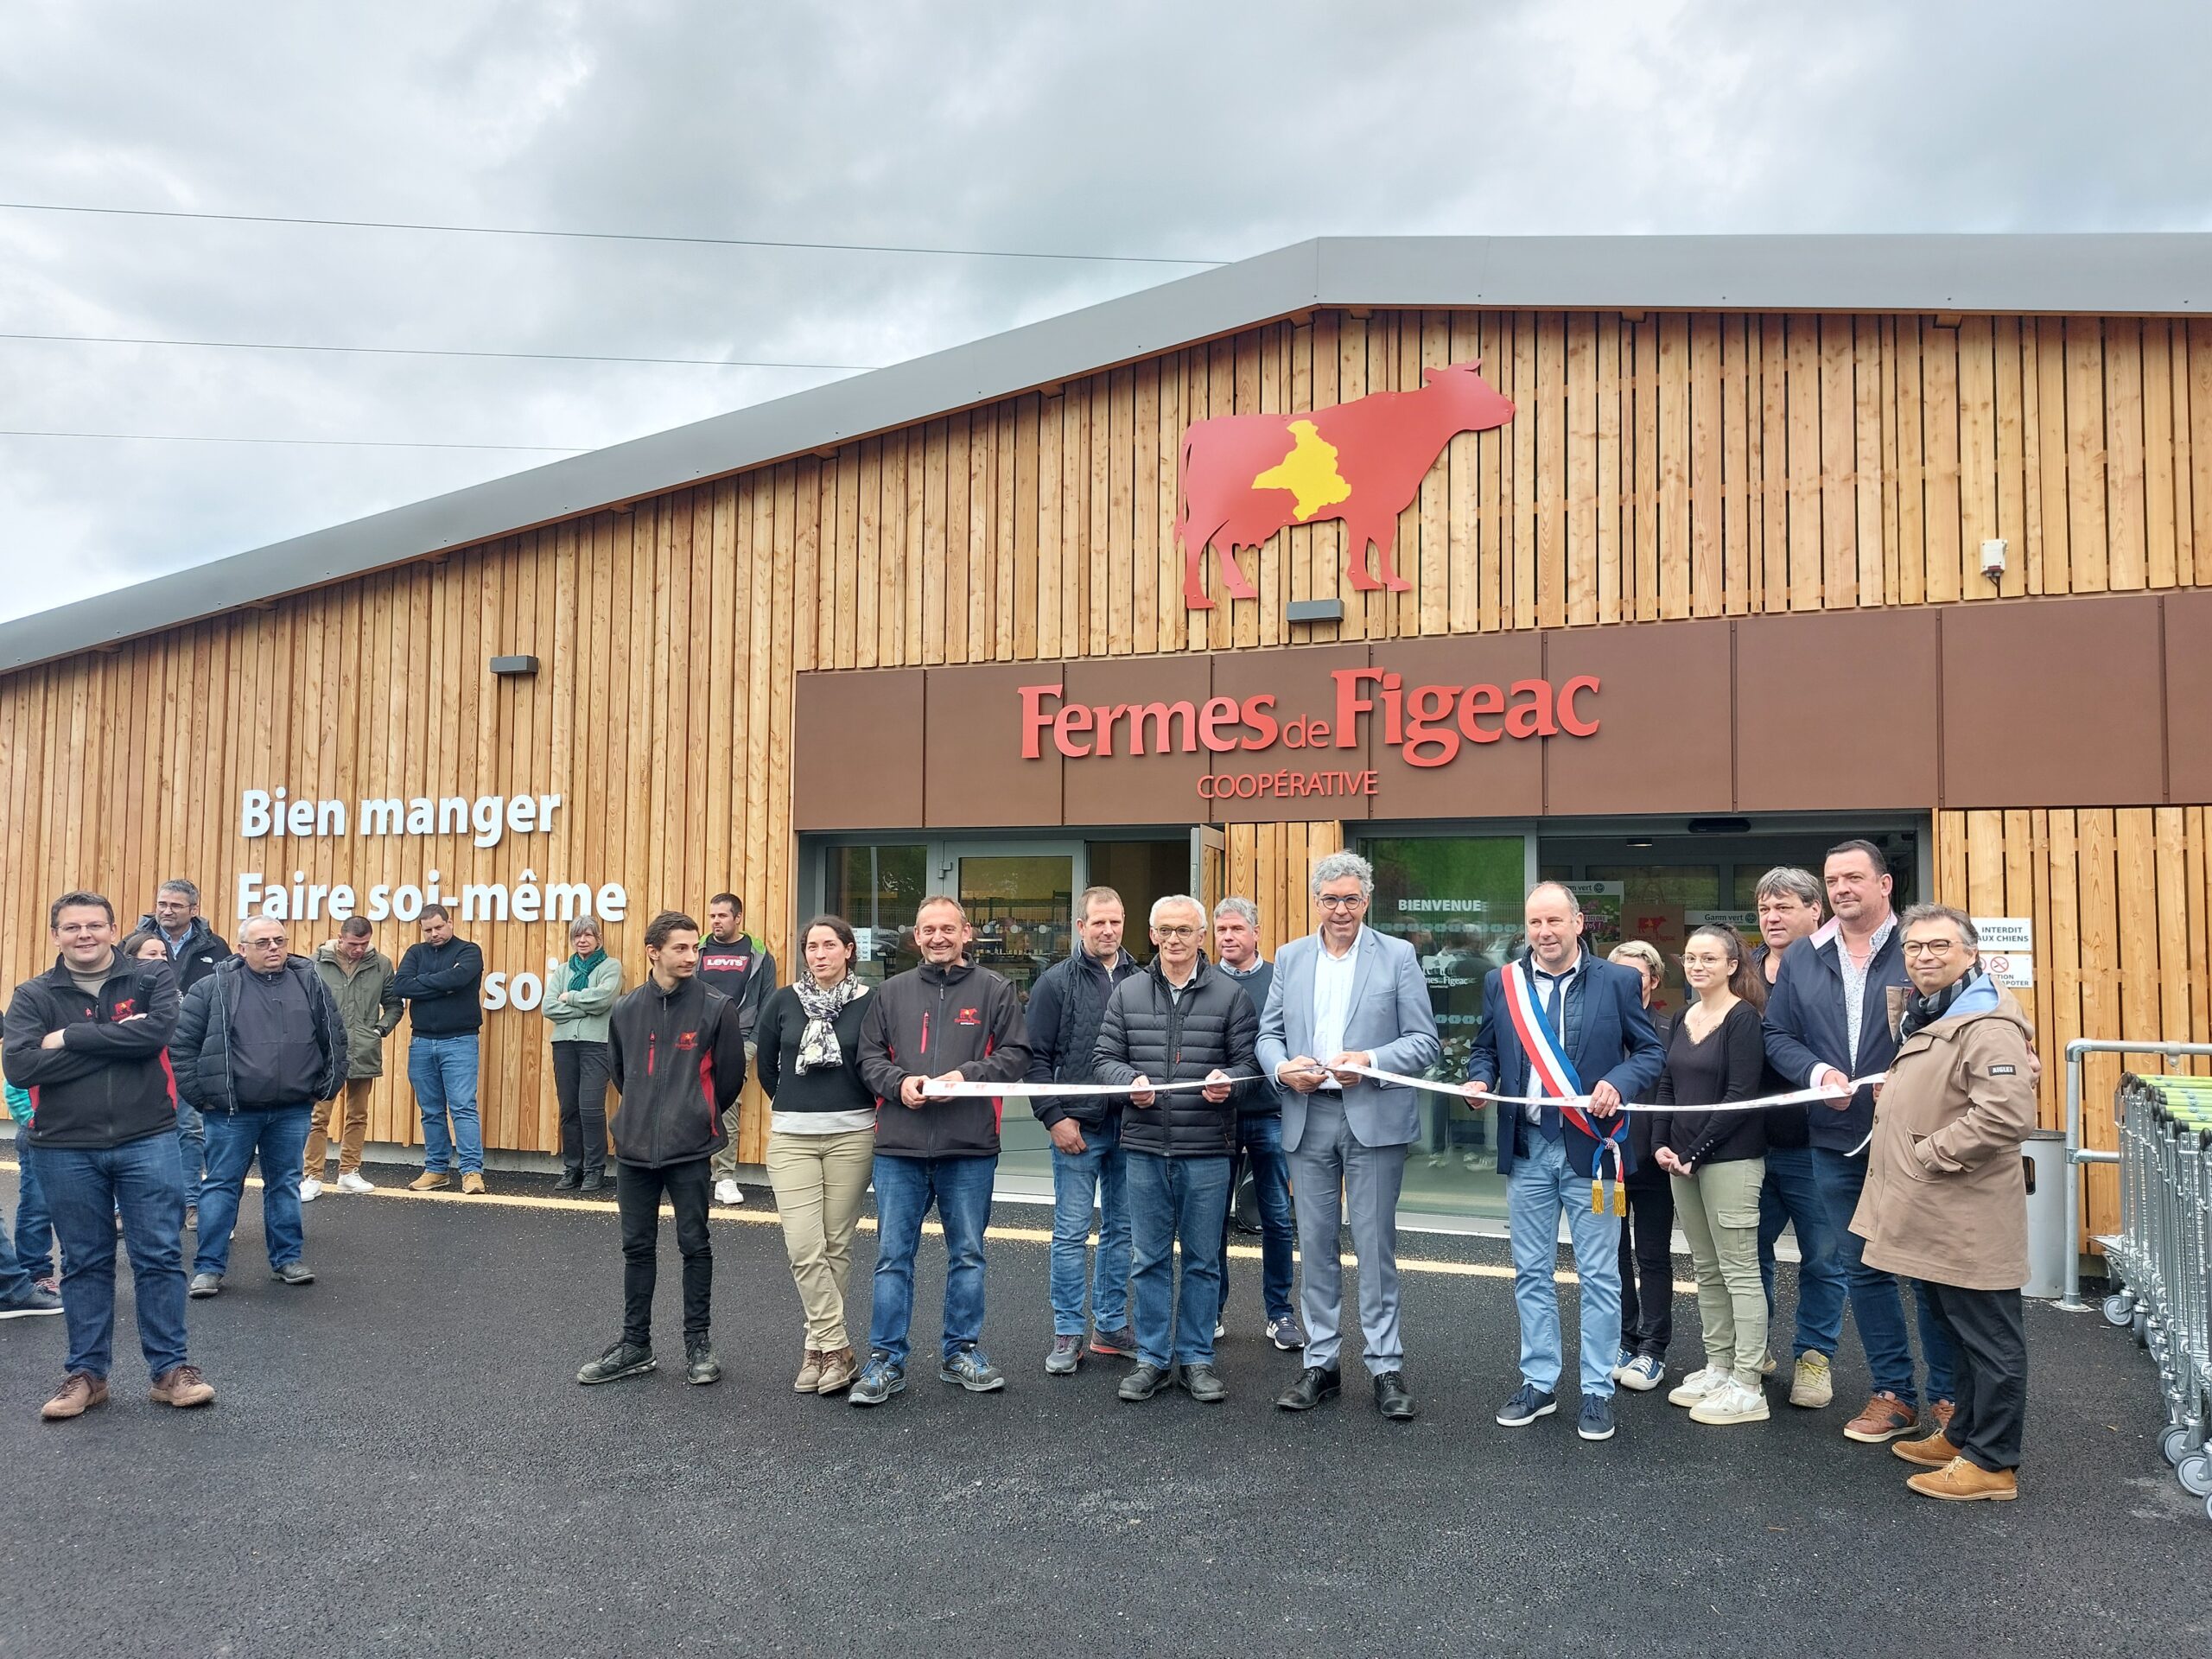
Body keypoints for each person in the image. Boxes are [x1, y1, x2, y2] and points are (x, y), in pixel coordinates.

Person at [1764, 840, 1956, 1445]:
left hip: (1915, 1139)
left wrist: (1907, 1088)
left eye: (1854, 877)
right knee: (1864, 1268)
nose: (1842, 889)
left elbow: (1962, 1029)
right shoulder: (1802, 956)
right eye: (1832, 880)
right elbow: (1778, 1033)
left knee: (1928, 1272)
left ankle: (1950, 1397)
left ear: (1884, 885)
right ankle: (1893, 1394)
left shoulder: (1920, 948)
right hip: (1833, 1138)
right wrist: (1817, 1075)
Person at [1465, 881, 1665, 1444]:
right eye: (1535, 923)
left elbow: (1649, 1053)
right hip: (1528, 1150)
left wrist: (1616, 1082)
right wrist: (1481, 1079)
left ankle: (1598, 1388)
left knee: (1600, 1274)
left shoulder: (1620, 981)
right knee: (1531, 1272)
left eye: (1555, 921)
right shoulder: (1500, 983)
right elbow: (1485, 1048)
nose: (1545, 933)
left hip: (1593, 1150)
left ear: (1579, 923)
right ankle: (1540, 1381)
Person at [3, 891, 213, 1421]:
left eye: (94, 926)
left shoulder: (149, 979)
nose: (84, 936)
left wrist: (70, 1037)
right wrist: (114, 1041)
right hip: (66, 1147)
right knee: (84, 1261)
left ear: (113, 929)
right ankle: (87, 1375)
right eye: (72, 928)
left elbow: (155, 1035)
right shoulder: (32, 995)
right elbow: (22, 1067)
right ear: (55, 935)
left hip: (148, 1138)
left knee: (160, 1255)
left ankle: (171, 1371)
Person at [1854, 906, 2037, 1502]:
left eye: (1938, 946)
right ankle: (1961, 1435)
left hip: (1967, 1212)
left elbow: (2006, 1115)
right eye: (1914, 948)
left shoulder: (1985, 1024)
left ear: (1970, 952)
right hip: (1937, 1209)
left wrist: (1931, 1153)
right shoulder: (1933, 1015)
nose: (1924, 957)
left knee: (1990, 1340)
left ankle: (1993, 1462)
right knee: (1955, 1330)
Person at [1257, 850, 1440, 1421]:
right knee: (1315, 1247)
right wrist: (1281, 1068)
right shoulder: (1290, 957)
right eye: (1331, 899)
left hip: (1373, 1116)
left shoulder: (1399, 956)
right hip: (1308, 1115)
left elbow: (1424, 1041)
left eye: (1351, 899)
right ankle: (1322, 1364)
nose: (1341, 910)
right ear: (1317, 901)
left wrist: (1372, 1059)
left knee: (1375, 1248)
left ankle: (1385, 1366)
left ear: (1367, 900)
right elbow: (1267, 1035)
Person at [851, 896, 1030, 1408]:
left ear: (966, 933)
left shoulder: (995, 990)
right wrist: (899, 1082)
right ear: (916, 936)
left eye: (947, 928)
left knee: (969, 1255)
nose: (938, 937)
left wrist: (966, 1078)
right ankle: (886, 1360)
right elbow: (867, 1058)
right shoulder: (889, 993)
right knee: (891, 1258)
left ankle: (961, 1352)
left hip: (969, 1146)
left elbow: (1017, 1054)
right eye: (928, 929)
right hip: (899, 1148)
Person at [1091, 894, 1259, 1403]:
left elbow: (1252, 1067)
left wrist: (1229, 1081)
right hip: (1143, 1147)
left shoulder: (1231, 996)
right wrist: (1128, 1081)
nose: (1175, 940)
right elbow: (1103, 1058)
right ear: (1152, 935)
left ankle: (1196, 1359)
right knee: (1148, 1259)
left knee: (1205, 1260)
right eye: (1165, 930)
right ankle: (1151, 1359)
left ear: (1202, 936)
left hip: (1208, 1148)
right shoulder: (1128, 993)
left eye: (1185, 930)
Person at [576, 911, 748, 1389]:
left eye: (695, 948)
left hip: (689, 1148)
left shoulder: (717, 1007)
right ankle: (635, 1346)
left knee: (695, 1246)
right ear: (654, 952)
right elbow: (620, 1071)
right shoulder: (627, 1008)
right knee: (637, 1248)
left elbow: (731, 1079)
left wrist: (692, 1110)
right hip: (633, 1150)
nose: (692, 955)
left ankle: (698, 1344)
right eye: (681, 948)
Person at [174, 917, 347, 1299]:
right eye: (263, 942)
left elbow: (334, 1037)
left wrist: (327, 1085)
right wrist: (202, 1096)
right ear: (241, 948)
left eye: (279, 941)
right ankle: (209, 1268)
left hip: (291, 1109)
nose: (273, 948)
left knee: (284, 1184)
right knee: (220, 1185)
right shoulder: (213, 987)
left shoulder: (311, 982)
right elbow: (183, 1047)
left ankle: (287, 1259)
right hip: (232, 1111)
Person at [1649, 925, 1771, 1425]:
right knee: (1705, 1268)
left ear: (1732, 966)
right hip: (1682, 1162)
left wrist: (1695, 1150)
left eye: (1709, 959)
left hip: (1732, 1160)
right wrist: (1661, 1142)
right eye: (1691, 958)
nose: (1698, 967)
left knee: (1740, 1271)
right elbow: (1666, 1086)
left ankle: (1748, 1384)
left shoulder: (1744, 1020)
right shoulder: (1683, 1015)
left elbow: (1741, 1096)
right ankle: (1718, 1365)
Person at [755, 915, 877, 1398]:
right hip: (792, 1138)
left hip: (852, 1136)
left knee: (836, 1245)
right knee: (804, 1248)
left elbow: (877, 1062)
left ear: (849, 950)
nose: (819, 954)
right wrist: (798, 1106)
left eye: (830, 945)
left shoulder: (872, 1003)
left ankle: (817, 1351)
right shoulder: (783, 1002)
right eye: (811, 947)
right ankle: (839, 1345)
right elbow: (768, 1068)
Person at [1022, 885, 1141, 1375]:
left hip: (1132, 1127)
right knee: (1071, 1233)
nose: (1108, 930)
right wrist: (1054, 1116)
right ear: (1080, 927)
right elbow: (1035, 1059)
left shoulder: (1145, 980)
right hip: (1077, 1128)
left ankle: (1110, 1326)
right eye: (1098, 922)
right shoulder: (1055, 983)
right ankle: (1068, 1331)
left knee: (1123, 1231)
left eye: (1115, 921)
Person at [1751, 866, 1847, 1410]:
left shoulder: (1838, 970)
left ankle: (1815, 1357)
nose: (1772, 917)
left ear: (1817, 911)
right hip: (1752, 1145)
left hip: (1819, 1143)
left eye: (1784, 906)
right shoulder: (1741, 971)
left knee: (1823, 1258)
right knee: (1750, 1254)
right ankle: (1755, 1348)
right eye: (1765, 908)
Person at [1211, 895, 1301, 1351]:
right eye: (1221, 931)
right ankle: (1212, 1312)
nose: (1228, 938)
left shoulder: (1279, 979)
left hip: (1270, 1113)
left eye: (1236, 930)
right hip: (1216, 1118)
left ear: (1255, 933)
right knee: (1211, 1221)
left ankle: (1280, 1313)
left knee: (1277, 1218)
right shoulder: (1203, 981)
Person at [136, 880, 229, 1211]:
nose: (166, 910)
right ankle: (132, 1208)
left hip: (192, 1052)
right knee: (134, 1131)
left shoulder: (216, 947)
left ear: (194, 909)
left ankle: (191, 1202)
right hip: (141, 1053)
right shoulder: (134, 944)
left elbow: (225, 998)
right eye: (162, 903)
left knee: (190, 1130)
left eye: (175, 905)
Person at [1607, 939, 1675, 1392]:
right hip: (1605, 1165)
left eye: (1637, 976)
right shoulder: (1596, 1033)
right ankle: (1624, 1338)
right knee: (1610, 1255)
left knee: (1651, 1255)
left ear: (1653, 981)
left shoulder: (1671, 1031)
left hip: (1652, 1163)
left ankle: (1653, 1348)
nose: (1628, 985)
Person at [391, 905, 487, 1194]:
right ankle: (436, 1170)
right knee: (431, 1110)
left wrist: (425, 984)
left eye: (438, 927)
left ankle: (471, 1172)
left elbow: (458, 980)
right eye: (428, 930)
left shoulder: (469, 951)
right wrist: (442, 985)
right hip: (421, 1042)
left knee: (463, 1107)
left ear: (450, 922)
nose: (434, 934)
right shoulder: (415, 953)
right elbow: (401, 986)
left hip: (460, 1041)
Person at [307, 917, 402, 1198]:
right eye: (353, 944)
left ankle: (349, 1172)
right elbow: (302, 1003)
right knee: (318, 1117)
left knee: (357, 1115)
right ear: (340, 937)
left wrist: (380, 1029)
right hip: (326, 1052)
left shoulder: (381, 964)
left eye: (364, 944)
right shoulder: (316, 963)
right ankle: (311, 1175)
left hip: (364, 1048)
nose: (358, 949)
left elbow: (395, 1005)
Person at [700, 893, 778, 1206]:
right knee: (690, 1102)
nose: (716, 921)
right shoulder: (699, 948)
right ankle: (691, 1169)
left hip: (740, 1039)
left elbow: (769, 1001)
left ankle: (725, 1177)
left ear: (738, 918)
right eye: (712, 916)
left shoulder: (758, 954)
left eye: (722, 916)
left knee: (727, 1107)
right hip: (698, 1038)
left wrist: (755, 1041)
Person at [121, 928, 202, 1224]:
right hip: (133, 1075)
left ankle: (191, 1202)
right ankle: (123, 1209)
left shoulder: (175, 992)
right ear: (132, 959)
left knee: (190, 1132)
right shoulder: (121, 993)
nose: (160, 960)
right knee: (127, 1138)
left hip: (177, 1069)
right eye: (151, 954)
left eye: (163, 955)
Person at [543, 918, 622, 1191]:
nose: (582, 940)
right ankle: (572, 1168)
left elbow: (604, 1000)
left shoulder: (610, 967)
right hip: (564, 1045)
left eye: (588, 935)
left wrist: (571, 998)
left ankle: (594, 1169)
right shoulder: (564, 970)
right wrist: (585, 1007)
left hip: (596, 1045)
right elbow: (548, 1006)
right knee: (569, 1109)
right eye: (577, 936)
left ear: (598, 938)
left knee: (590, 1108)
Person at [5, 1079, 58, 1294]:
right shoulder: (33, 1045)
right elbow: (15, 1088)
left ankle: (76, 1269)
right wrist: (32, 1120)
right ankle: (36, 1272)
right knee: (37, 1208)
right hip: (38, 1133)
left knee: (78, 1208)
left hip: (77, 1132)